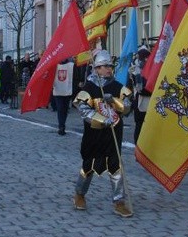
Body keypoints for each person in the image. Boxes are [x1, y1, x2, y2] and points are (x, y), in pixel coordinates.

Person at [72, 50, 133, 218]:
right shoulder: (90, 87)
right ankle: (79, 194)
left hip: (113, 134)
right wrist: (100, 119)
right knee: (89, 165)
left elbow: (127, 107)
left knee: (115, 165)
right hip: (94, 135)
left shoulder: (117, 87)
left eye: (110, 66)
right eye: (105, 66)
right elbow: (82, 109)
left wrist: (114, 101)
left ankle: (119, 201)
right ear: (97, 68)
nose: (108, 69)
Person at [129, 45, 151, 143]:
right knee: (139, 124)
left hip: (147, 101)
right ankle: (138, 145)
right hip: (139, 101)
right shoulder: (135, 70)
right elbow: (140, 89)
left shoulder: (150, 69)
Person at [53, 58, 74, 135]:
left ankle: (63, 124)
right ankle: (61, 126)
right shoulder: (54, 65)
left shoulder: (71, 64)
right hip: (58, 90)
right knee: (60, 108)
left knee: (65, 109)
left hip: (67, 90)